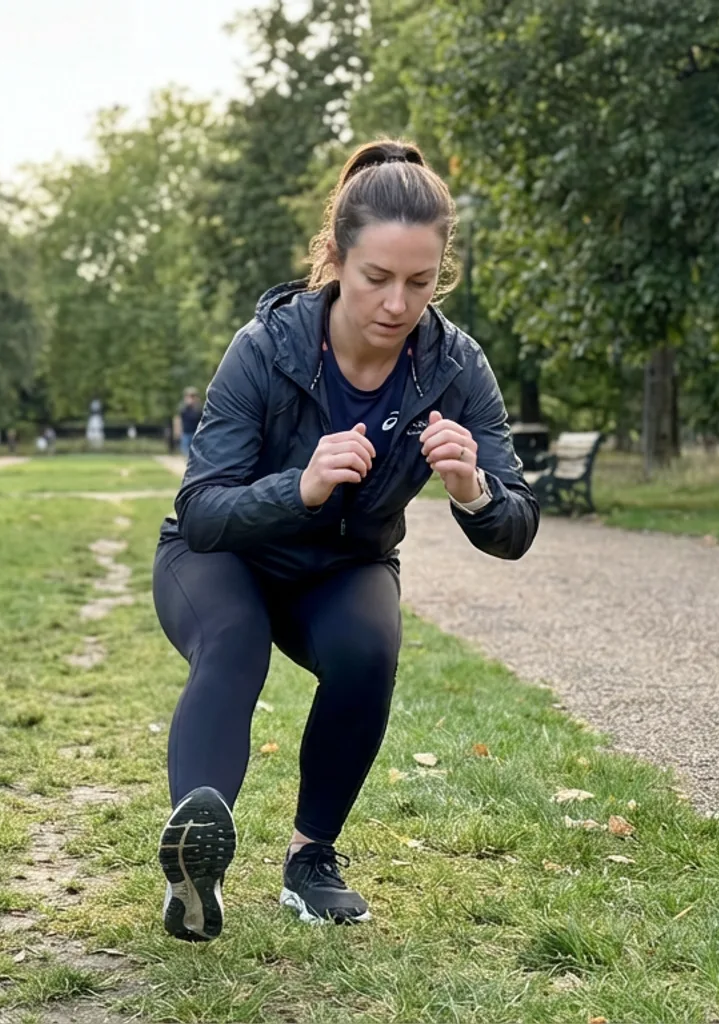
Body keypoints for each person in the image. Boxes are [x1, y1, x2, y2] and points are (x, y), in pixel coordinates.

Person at [152, 140, 540, 942]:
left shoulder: (457, 366)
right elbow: (201, 509)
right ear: (335, 259)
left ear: (442, 275)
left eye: (420, 282)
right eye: (377, 278)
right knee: (234, 637)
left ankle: (310, 859)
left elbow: (517, 526)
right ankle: (198, 855)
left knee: (371, 646)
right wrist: (298, 486)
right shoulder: (265, 348)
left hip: (345, 565)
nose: (398, 303)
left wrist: (473, 490)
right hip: (223, 558)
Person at [177, 387, 203, 457]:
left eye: (193, 396)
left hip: (195, 433)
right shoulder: (183, 407)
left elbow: (200, 418)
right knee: (185, 451)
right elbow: (179, 418)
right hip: (185, 433)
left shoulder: (198, 408)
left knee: (195, 452)